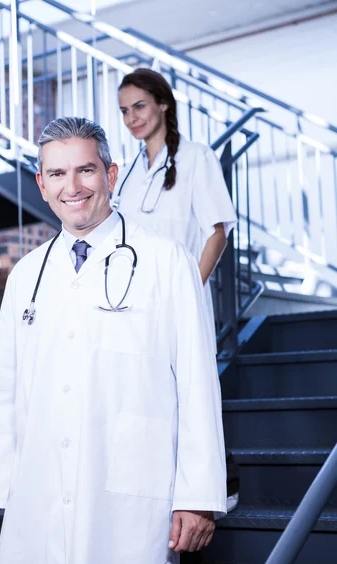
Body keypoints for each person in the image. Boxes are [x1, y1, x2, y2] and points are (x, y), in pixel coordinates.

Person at [0, 117, 227, 564]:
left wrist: (198, 497)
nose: (73, 187)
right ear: (42, 185)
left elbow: (197, 385)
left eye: (86, 170)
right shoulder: (27, 275)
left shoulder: (167, 261)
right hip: (34, 517)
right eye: (57, 175)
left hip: (129, 515)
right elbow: (1, 398)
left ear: (111, 173)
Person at [114, 68, 239, 513]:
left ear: (163, 103)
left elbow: (216, 232)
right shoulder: (128, 173)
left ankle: (207, 495)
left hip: (180, 297)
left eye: (140, 106)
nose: (132, 118)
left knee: (191, 396)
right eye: (125, 111)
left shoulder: (196, 157)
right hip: (135, 305)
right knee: (150, 403)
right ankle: (159, 500)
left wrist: (188, 288)